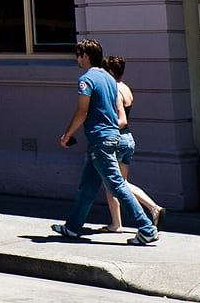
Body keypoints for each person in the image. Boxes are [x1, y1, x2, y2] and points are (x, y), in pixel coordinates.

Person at [52, 39, 158, 245]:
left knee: (117, 185)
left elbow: (82, 111)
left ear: (85, 56)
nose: (77, 59)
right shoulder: (109, 79)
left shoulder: (86, 79)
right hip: (110, 137)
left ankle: (146, 228)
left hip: (100, 139)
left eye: (78, 55)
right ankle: (73, 227)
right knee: (88, 185)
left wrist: (67, 134)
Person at [99, 56, 164, 232]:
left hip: (118, 138)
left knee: (116, 183)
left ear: (111, 71)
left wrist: (104, 127)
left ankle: (152, 208)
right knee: (119, 182)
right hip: (128, 140)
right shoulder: (126, 88)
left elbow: (122, 120)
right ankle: (116, 223)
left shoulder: (114, 90)